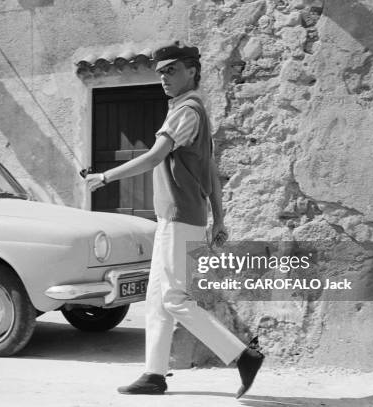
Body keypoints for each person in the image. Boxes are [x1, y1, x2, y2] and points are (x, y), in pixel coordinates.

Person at [84, 41, 264, 398]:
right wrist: (219, 218)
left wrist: (104, 178)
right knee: (157, 299)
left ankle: (242, 355)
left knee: (175, 299)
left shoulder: (186, 111)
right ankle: (154, 373)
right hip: (178, 217)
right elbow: (210, 171)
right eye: (161, 72)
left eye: (172, 70)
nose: (164, 78)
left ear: (192, 70)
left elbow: (153, 158)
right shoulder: (190, 109)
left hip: (179, 219)